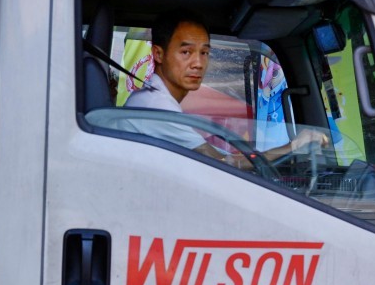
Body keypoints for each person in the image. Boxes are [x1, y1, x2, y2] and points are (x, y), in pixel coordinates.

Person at [123, 9, 327, 167]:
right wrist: (294, 146)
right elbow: (222, 164)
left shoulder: (155, 99)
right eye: (186, 52)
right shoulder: (155, 106)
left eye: (204, 53)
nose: (198, 63)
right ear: (158, 54)